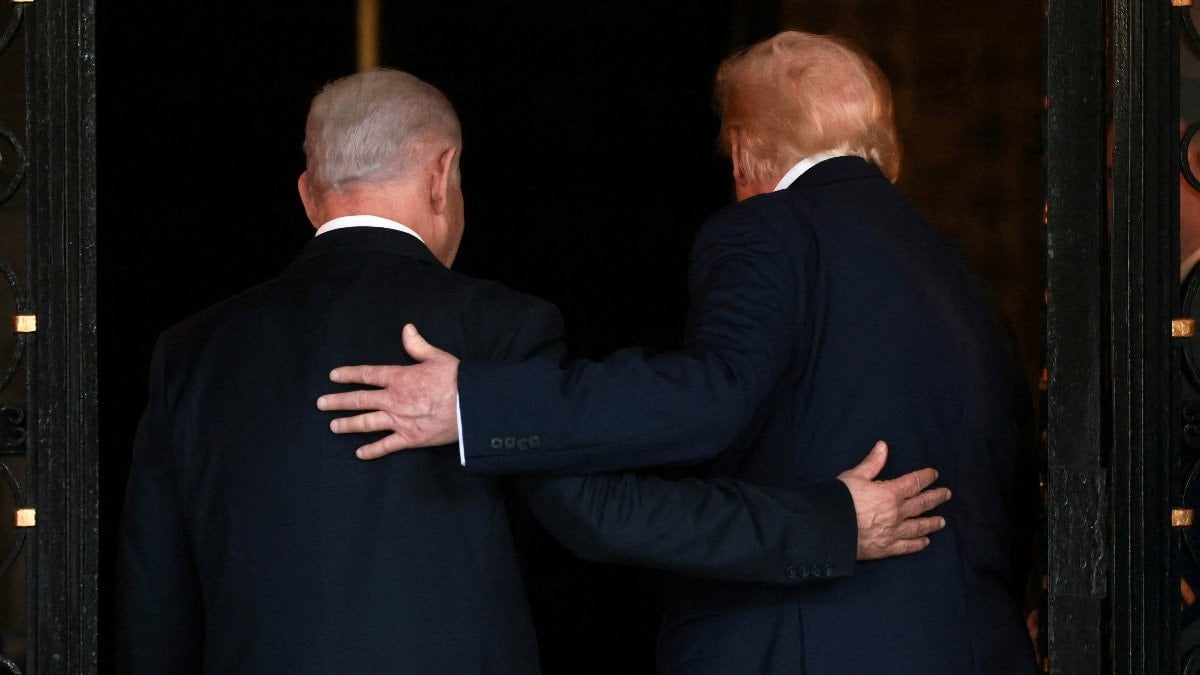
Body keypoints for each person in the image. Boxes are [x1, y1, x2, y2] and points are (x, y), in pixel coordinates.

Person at [119, 68, 952, 673]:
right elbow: (606, 516)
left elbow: (154, 600)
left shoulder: (190, 352)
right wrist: (827, 521)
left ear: (309, 194)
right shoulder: (498, 327)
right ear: (443, 175)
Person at [320, 32, 1038, 673]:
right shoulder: (958, 269)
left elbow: (709, 400)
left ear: (743, 150)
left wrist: (475, 404)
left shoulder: (768, 229)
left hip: (813, 645)